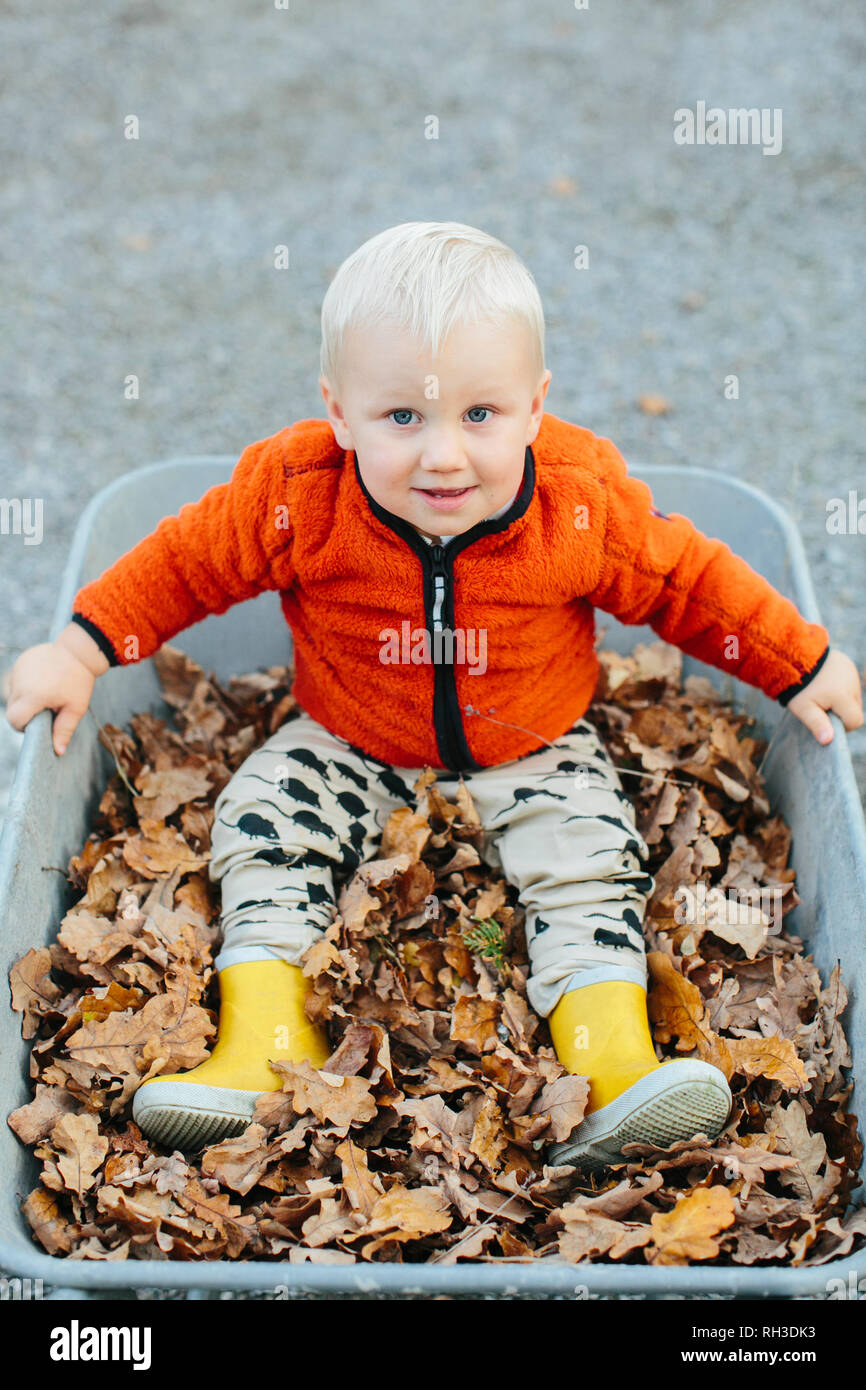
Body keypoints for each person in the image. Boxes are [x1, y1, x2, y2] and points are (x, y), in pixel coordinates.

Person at [7, 222, 863, 1170]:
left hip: (533, 738)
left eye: (480, 415)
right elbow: (183, 564)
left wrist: (799, 659)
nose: (445, 456)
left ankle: (613, 1065)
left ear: (537, 408)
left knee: (591, 849)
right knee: (261, 821)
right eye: (403, 419)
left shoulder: (576, 505)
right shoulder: (301, 495)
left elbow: (687, 582)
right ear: (339, 412)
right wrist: (84, 649)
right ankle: (263, 1040)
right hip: (351, 735)